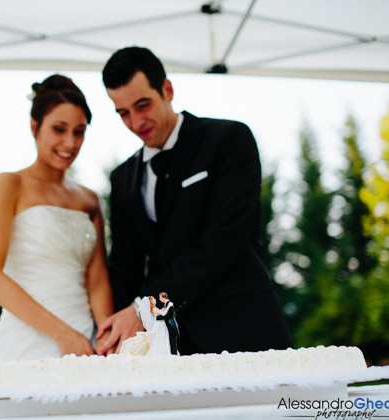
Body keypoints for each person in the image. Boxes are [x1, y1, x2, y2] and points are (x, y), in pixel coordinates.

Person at [96, 46, 293, 355]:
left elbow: (221, 241)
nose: (135, 122)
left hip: (244, 331)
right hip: (168, 348)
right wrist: (117, 333)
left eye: (142, 105)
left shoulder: (229, 140)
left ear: (167, 89)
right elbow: (125, 267)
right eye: (123, 113)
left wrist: (143, 309)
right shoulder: (123, 178)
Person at [0, 74, 115, 361]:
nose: (70, 142)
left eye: (79, 131)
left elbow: (97, 280)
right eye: (59, 129)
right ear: (34, 126)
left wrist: (107, 338)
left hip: (86, 343)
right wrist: (62, 334)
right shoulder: (7, 184)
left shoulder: (90, 200)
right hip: (29, 340)